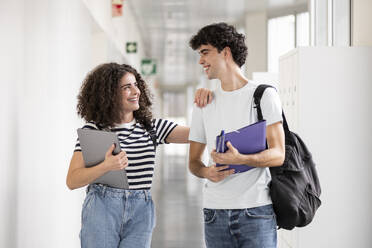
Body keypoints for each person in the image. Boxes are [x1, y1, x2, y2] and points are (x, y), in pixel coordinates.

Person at [66, 63, 211, 248]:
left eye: (136, 85)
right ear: (108, 94)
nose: (136, 91)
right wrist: (105, 166)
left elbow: (202, 133)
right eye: (127, 87)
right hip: (101, 207)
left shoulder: (152, 128)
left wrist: (206, 103)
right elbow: (72, 180)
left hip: (141, 209)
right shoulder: (94, 130)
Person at [188, 22, 286, 248]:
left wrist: (241, 159)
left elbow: (278, 154)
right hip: (214, 213)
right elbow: (193, 162)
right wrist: (206, 171)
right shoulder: (204, 102)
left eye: (205, 52)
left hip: (256, 212)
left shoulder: (264, 96)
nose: (200, 61)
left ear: (226, 51)